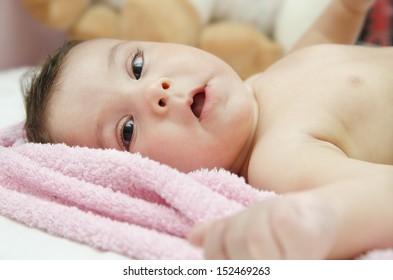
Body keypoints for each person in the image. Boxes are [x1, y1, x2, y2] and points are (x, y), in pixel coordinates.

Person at [22, 0, 393, 259]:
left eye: (137, 66)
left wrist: (347, 8)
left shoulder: (264, 82)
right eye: (128, 130)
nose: (156, 91)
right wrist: (329, 221)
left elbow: (320, 48)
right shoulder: (278, 155)